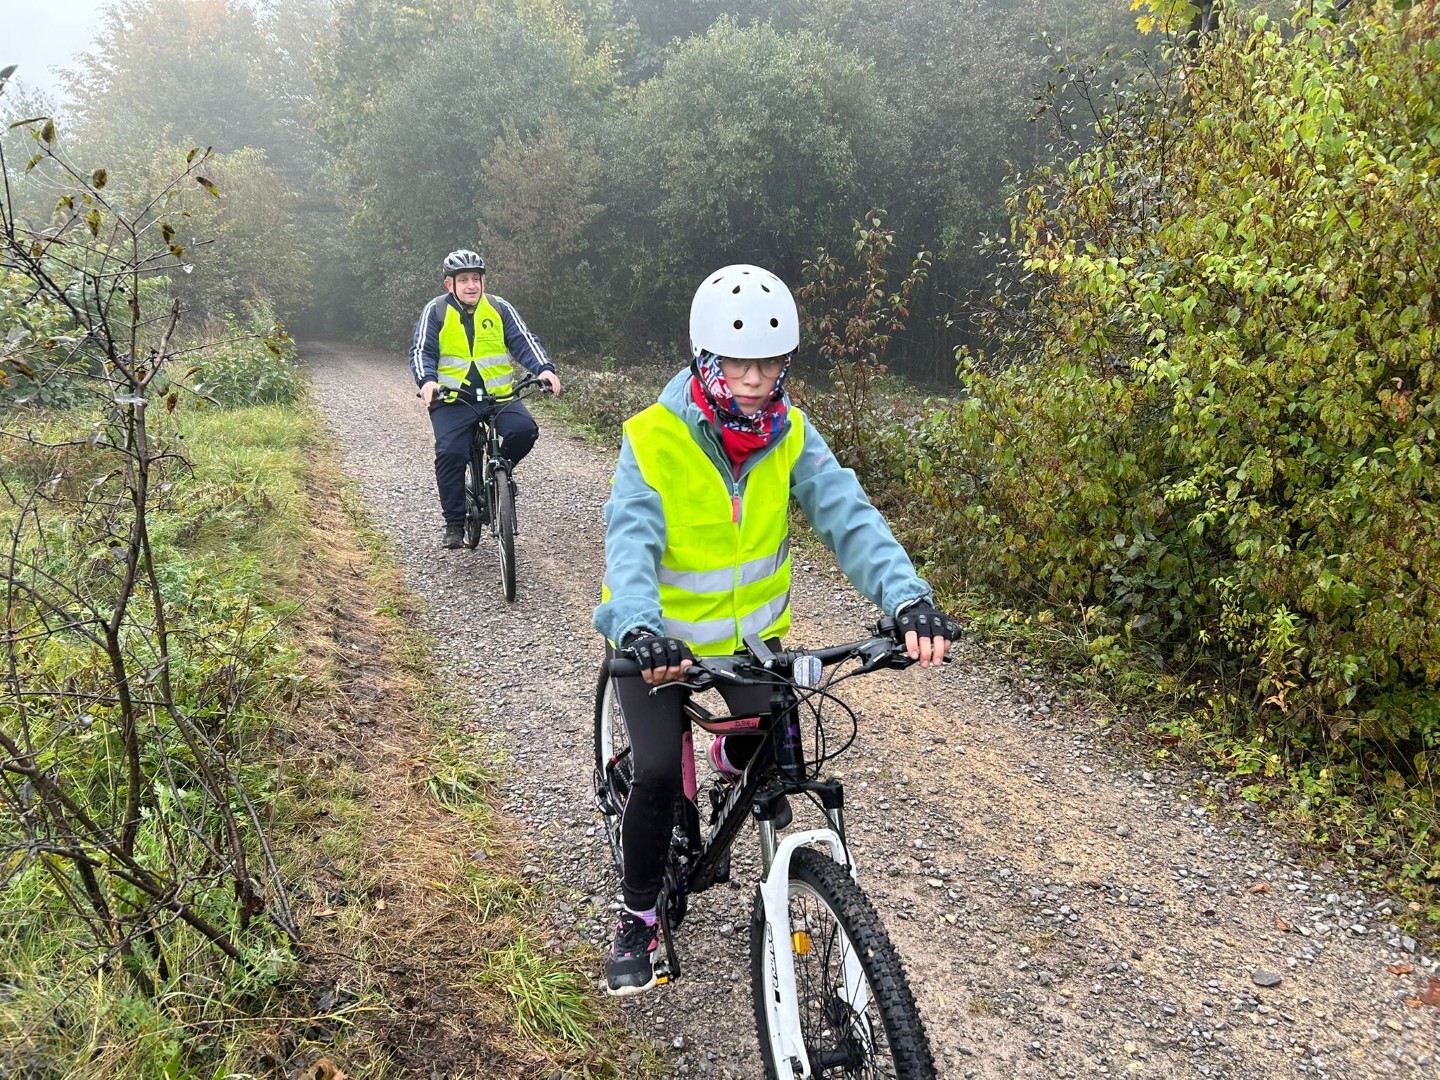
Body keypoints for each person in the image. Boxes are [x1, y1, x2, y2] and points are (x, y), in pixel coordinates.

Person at [592, 263, 960, 996]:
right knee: (660, 774)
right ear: (706, 360)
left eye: (771, 362)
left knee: (778, 753)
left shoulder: (789, 433)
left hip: (754, 648)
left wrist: (907, 598)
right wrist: (638, 628)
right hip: (658, 650)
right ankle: (638, 916)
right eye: (740, 362)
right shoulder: (654, 437)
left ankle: (731, 764)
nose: (758, 378)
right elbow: (629, 541)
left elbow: (848, 515)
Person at [410, 248, 562, 548]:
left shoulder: (499, 307)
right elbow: (421, 351)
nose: (471, 285)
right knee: (451, 454)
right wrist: (428, 382)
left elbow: (523, 340)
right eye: (463, 279)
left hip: (498, 395)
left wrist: (544, 369)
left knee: (524, 430)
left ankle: (500, 475)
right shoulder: (436, 310)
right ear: (449, 284)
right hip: (453, 399)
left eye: (476, 279)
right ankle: (454, 522)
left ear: (484, 281)